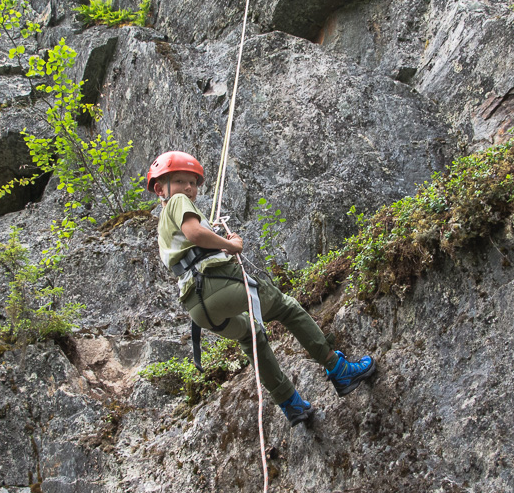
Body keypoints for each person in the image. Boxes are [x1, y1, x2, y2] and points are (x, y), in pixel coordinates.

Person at [146, 150, 377, 425]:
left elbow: (192, 245)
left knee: (250, 334)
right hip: (217, 284)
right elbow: (195, 234)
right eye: (181, 181)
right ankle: (340, 370)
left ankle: (291, 404)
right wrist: (230, 244)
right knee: (286, 308)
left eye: (193, 183)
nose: (188, 188)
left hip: (198, 308)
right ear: (161, 188)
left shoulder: (163, 225)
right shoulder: (177, 203)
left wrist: (219, 240)